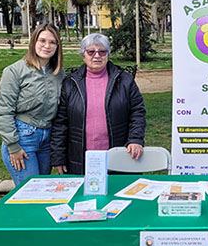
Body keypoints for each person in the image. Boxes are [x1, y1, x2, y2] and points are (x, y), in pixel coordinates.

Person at [51, 33, 146, 174]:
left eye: (102, 51)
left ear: (108, 54)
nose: (97, 56)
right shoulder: (70, 83)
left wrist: (136, 139)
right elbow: (61, 122)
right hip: (80, 158)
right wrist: (58, 156)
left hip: (119, 154)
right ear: (83, 55)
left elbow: (137, 111)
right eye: (91, 51)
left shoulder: (124, 80)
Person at [0, 23, 64, 186]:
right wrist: (13, 146)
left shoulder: (58, 73)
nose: (47, 46)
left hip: (47, 139)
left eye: (52, 42)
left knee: (43, 191)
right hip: (23, 138)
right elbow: (3, 112)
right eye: (42, 41)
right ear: (33, 42)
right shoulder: (15, 71)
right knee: (31, 192)